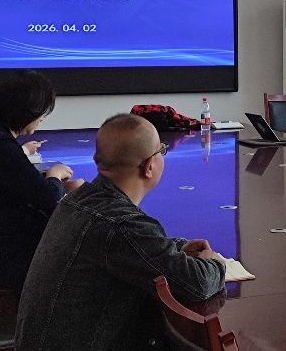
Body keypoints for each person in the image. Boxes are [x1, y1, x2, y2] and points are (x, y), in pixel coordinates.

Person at [16, 114, 227, 349]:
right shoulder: (120, 224)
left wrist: (175, 249)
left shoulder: (78, 200)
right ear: (149, 166)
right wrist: (214, 263)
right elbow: (197, 284)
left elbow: (134, 247)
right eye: (162, 151)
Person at [0, 71, 82, 291]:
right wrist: (55, 176)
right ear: (27, 110)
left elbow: (23, 183)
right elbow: (47, 198)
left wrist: (55, 184)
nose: (42, 118)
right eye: (42, 112)